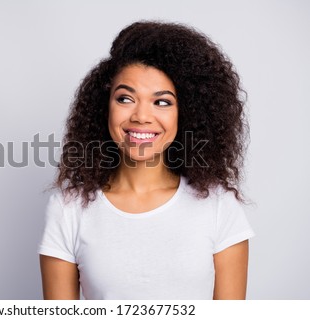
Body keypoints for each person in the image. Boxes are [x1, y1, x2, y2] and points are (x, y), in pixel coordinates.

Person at [37, 20, 255, 300]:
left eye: (162, 102)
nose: (141, 116)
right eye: (125, 99)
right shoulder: (69, 209)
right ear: (104, 108)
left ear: (186, 113)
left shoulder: (218, 206)